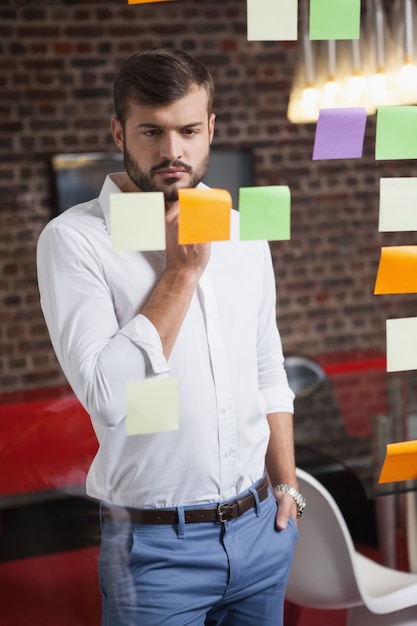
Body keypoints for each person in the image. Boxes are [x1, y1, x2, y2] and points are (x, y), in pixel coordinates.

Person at [37, 48, 304, 626]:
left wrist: (288, 487)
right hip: (156, 550)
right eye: (151, 131)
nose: (172, 152)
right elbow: (108, 396)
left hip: (262, 530)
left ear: (211, 129)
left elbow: (267, 370)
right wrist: (181, 272)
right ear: (119, 132)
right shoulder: (75, 241)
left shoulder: (239, 233)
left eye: (187, 130)